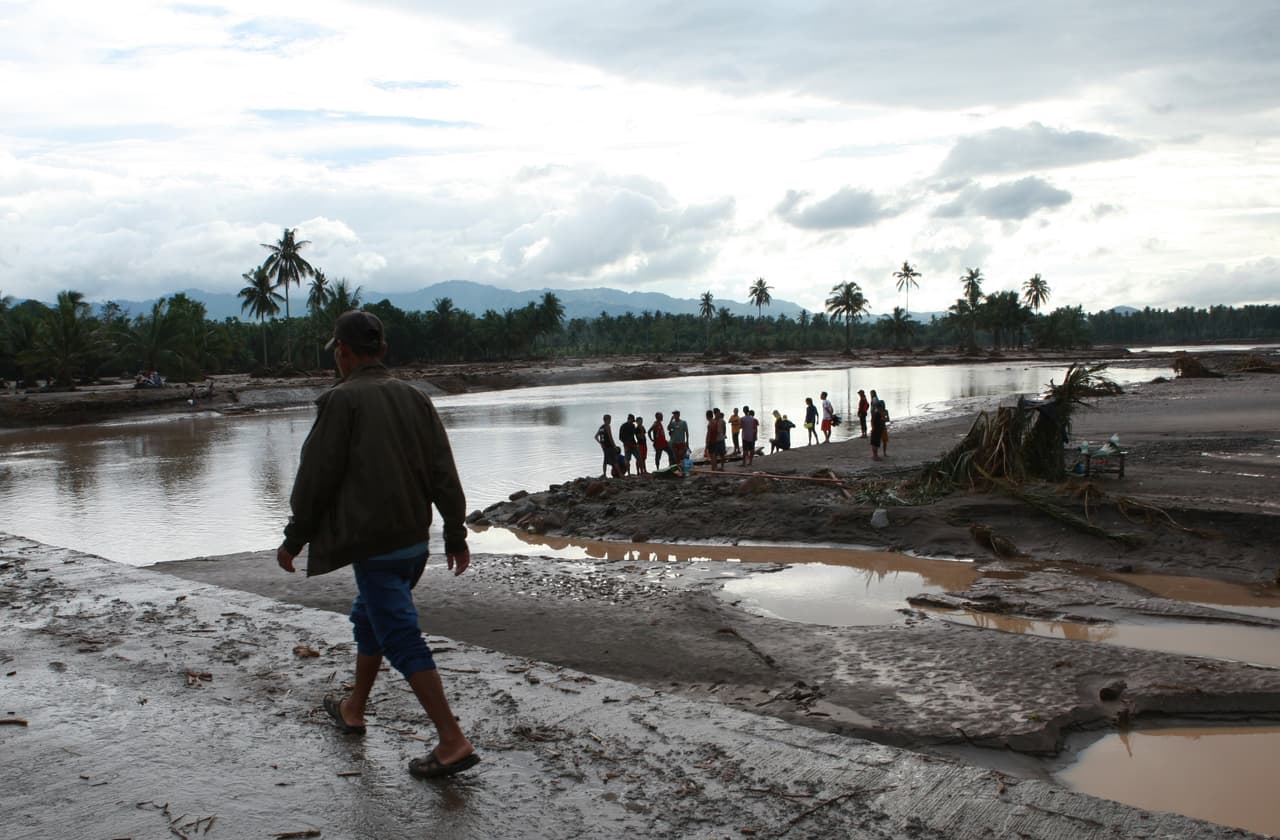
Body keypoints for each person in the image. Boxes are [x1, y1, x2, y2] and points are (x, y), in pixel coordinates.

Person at [276, 310, 479, 779]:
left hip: (374, 544)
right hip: (414, 543)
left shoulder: (341, 401)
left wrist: (295, 537)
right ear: (382, 350)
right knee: (371, 618)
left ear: (342, 352)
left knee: (400, 636)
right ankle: (354, 709)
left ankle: (452, 741)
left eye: (337, 352)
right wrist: (454, 531)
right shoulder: (415, 397)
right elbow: (443, 470)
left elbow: (316, 477)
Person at [869, 389, 888, 460]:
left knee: (876, 443)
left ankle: (875, 455)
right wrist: (873, 428)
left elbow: (882, 420)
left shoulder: (878, 413)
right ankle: (875, 456)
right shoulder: (878, 414)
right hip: (876, 430)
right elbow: (874, 421)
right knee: (875, 443)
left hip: (877, 429)